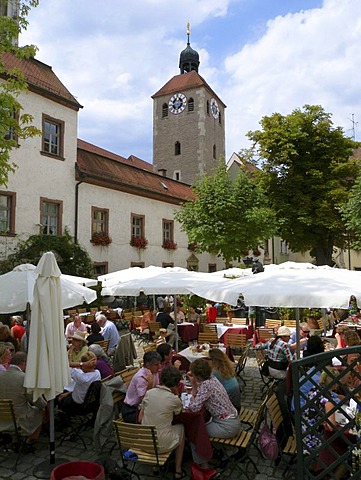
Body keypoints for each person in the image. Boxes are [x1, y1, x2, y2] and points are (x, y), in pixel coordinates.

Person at [186, 358, 241, 467]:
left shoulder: (207, 385)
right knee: (202, 426)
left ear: (197, 376)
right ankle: (223, 450)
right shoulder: (213, 379)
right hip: (232, 420)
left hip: (227, 426)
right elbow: (200, 397)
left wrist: (192, 397)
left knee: (195, 433)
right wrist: (194, 384)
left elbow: (194, 407)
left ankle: (203, 465)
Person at [140, 366, 185, 479]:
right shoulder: (174, 399)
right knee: (182, 428)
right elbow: (178, 413)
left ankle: (156, 466)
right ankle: (177, 470)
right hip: (161, 444)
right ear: (176, 383)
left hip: (144, 441)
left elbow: (140, 419)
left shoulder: (149, 393)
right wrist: (176, 394)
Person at [0, 352, 47, 449]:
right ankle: (28, 441)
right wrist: (45, 405)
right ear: (24, 363)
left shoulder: (1, 375)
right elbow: (36, 400)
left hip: (2, 418)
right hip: (19, 420)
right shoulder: (24, 378)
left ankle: (15, 440)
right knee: (40, 410)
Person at [121, 351, 161, 424]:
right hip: (132, 410)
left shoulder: (154, 372)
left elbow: (157, 389)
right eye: (156, 365)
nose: (159, 366)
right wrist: (150, 384)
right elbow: (145, 400)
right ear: (148, 366)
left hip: (143, 407)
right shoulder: (141, 377)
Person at [58, 351, 101, 417]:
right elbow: (85, 389)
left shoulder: (81, 378)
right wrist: (68, 393)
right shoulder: (97, 373)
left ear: (85, 364)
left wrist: (70, 352)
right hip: (90, 404)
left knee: (59, 397)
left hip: (78, 405)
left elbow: (67, 365)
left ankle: (63, 418)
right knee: (66, 392)